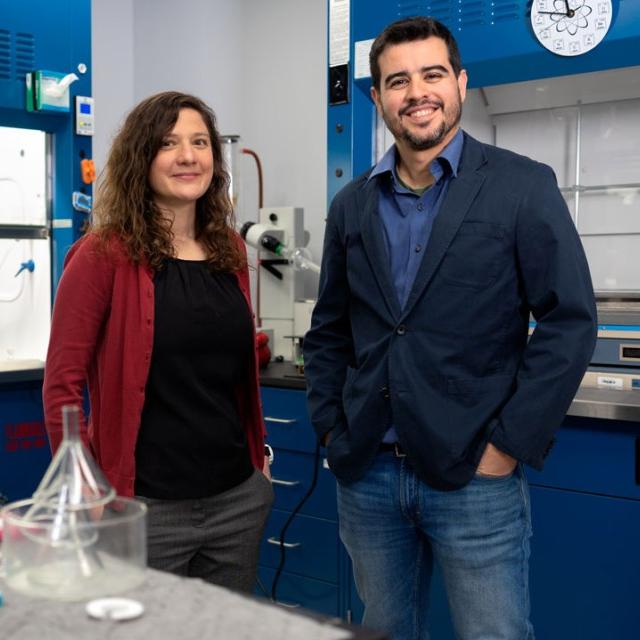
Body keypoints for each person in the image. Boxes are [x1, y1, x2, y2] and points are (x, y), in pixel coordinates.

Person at [303, 16, 597, 640]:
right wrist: (332, 428)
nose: (417, 92)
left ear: (460, 83)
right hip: (369, 474)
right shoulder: (351, 204)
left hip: (475, 477)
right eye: (398, 80)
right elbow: (329, 330)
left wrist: (507, 447)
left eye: (432, 74)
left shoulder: (522, 186)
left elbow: (569, 322)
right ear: (378, 97)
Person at [43, 91, 274, 593]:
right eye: (169, 143)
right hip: (143, 510)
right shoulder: (100, 256)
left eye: (199, 142)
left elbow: (229, 363)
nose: (188, 156)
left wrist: (259, 465)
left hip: (236, 501)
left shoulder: (228, 249)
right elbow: (61, 385)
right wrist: (85, 485)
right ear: (141, 157)